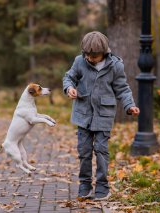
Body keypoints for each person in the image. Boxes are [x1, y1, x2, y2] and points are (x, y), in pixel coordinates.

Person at [62, 31, 140, 201]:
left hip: (104, 115)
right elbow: (69, 78)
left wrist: (130, 105)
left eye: (94, 56)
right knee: (84, 151)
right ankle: (84, 184)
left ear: (104, 52)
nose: (90, 58)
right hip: (83, 115)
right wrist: (69, 88)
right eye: (88, 55)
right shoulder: (79, 61)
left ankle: (103, 186)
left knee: (101, 150)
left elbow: (122, 89)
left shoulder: (115, 66)